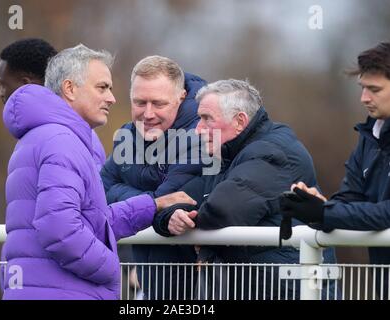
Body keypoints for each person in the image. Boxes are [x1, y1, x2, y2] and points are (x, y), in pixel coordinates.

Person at [1, 44, 195, 300]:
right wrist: (110, 266)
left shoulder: (47, 136)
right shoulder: (60, 140)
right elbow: (58, 228)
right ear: (70, 89)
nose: (112, 98)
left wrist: (152, 205)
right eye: (102, 87)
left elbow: (91, 222)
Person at [153, 79, 336, 299]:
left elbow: (224, 209)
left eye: (206, 119)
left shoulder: (273, 151)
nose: (197, 130)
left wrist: (189, 224)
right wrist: (170, 218)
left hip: (288, 289)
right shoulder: (228, 155)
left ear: (240, 121)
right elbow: (175, 199)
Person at [280, 42, 390, 299]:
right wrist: (318, 208)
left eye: (374, 89)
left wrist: (326, 213)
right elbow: (349, 198)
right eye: (363, 88)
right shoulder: (370, 136)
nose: (364, 98)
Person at [100, 55, 207, 299]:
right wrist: (153, 203)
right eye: (139, 102)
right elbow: (99, 191)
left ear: (181, 97)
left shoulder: (203, 134)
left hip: (197, 284)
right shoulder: (127, 134)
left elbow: (179, 199)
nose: (147, 114)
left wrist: (136, 202)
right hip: (151, 280)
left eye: (158, 104)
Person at [0, 38, 106, 169]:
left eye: (3, 85)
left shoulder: (58, 138)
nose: (0, 93)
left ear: (25, 85)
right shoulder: (80, 131)